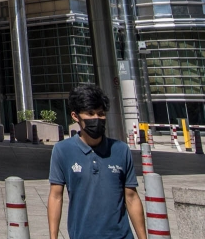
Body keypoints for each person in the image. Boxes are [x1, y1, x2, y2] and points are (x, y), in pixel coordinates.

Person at [48, 84, 147, 239]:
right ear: (75, 116)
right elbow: (56, 196)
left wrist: (143, 237)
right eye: (90, 113)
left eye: (101, 114)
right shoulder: (62, 151)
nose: (97, 119)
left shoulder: (121, 150)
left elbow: (132, 197)